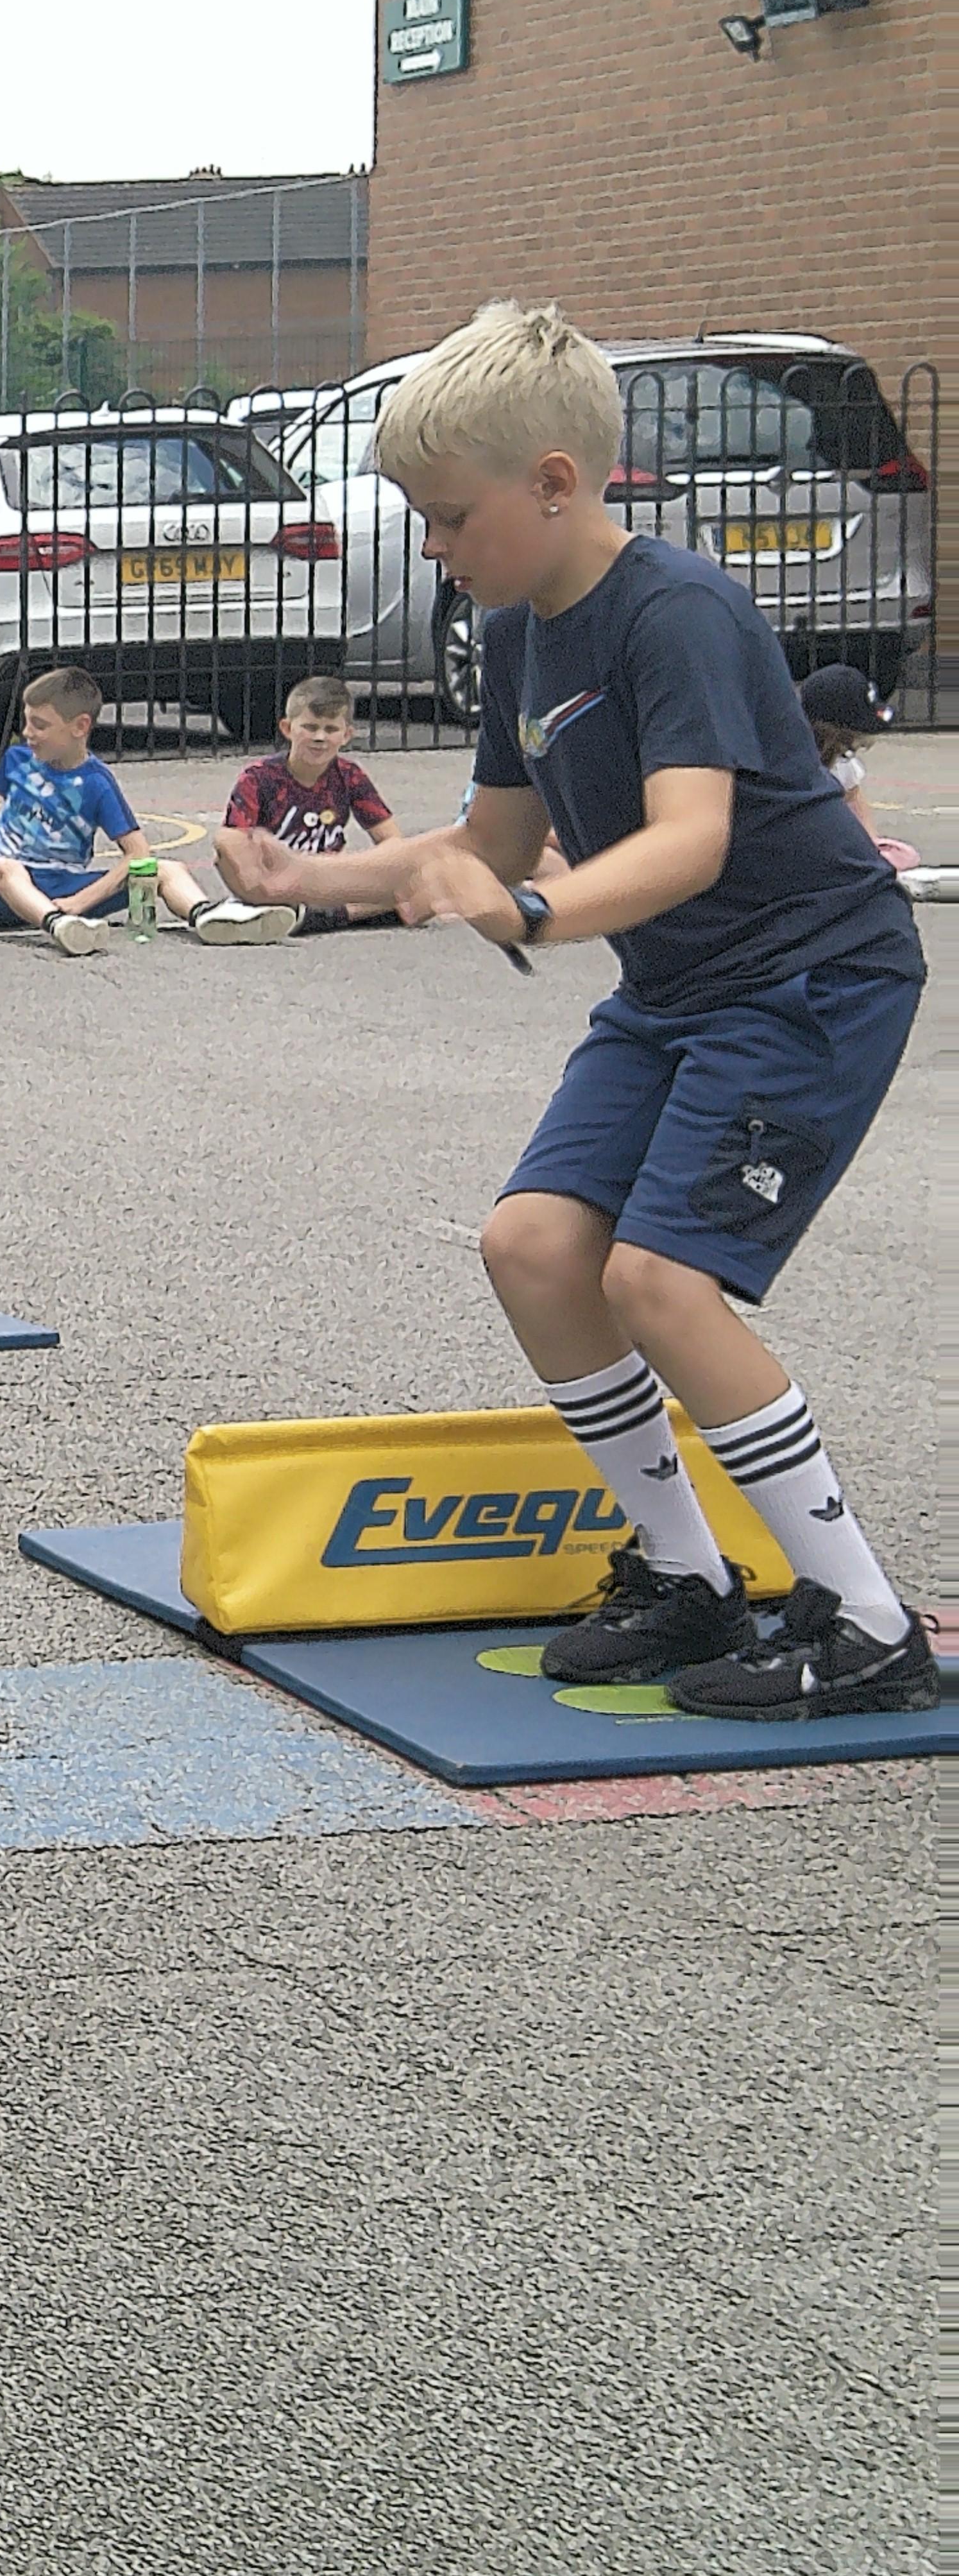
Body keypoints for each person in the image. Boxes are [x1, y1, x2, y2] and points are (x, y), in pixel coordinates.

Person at [219, 302, 928, 1719]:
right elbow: (487, 842)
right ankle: (687, 1577)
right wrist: (304, 876)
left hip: (810, 980)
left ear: (553, 482)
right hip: (676, 991)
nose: (433, 546)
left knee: (656, 1281)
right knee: (535, 1247)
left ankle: (864, 1624)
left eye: (449, 517)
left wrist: (540, 914)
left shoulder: (677, 614)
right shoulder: (516, 630)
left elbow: (690, 842)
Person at [0, 667, 296, 952]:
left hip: (67, 886)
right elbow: (3, 838)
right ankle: (58, 925)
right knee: (3, 868)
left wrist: (82, 900)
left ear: (80, 726)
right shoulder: (17, 760)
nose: (28, 733)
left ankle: (208, 917)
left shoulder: (97, 783)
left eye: (40, 725)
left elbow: (138, 853)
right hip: (5, 890)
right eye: (28, 722)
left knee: (165, 869)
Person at [222, 674, 402, 936]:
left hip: (327, 882)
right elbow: (232, 843)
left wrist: (369, 872)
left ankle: (317, 917)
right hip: (275, 884)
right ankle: (316, 915)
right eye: (310, 727)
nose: (320, 737)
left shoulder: (350, 776)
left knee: (417, 888)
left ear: (347, 735)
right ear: (287, 728)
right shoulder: (258, 778)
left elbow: (393, 843)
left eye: (331, 730)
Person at [799, 665, 919, 871]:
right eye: (852, 741)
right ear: (834, 735)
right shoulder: (792, 767)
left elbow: (853, 794)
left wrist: (871, 845)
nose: (859, 745)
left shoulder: (841, 762)